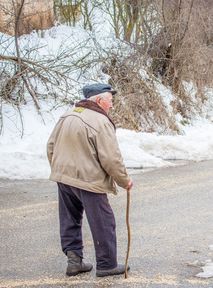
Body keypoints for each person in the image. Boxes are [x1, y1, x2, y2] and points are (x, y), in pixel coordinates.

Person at [47, 83, 133, 277]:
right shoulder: (100, 121)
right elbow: (111, 158)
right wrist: (124, 180)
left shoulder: (67, 115)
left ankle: (74, 261)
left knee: (70, 219)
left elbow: (50, 146)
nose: (111, 105)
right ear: (100, 100)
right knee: (103, 221)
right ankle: (107, 264)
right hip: (88, 179)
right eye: (110, 101)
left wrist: (59, 169)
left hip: (64, 177)